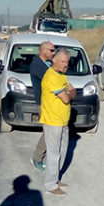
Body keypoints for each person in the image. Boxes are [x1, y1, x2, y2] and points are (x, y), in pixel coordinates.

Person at [40, 49, 76, 196]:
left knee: (62, 151)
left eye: (67, 62)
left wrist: (69, 93)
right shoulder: (52, 77)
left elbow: (72, 91)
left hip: (62, 121)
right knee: (54, 154)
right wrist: (69, 93)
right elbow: (67, 98)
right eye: (63, 61)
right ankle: (50, 185)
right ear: (54, 60)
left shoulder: (62, 76)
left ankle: (56, 179)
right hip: (53, 121)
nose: (65, 64)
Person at [30, 40, 56, 171]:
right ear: (43, 50)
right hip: (44, 104)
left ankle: (44, 157)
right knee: (49, 132)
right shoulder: (37, 65)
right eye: (51, 50)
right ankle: (37, 157)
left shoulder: (48, 63)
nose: (53, 52)